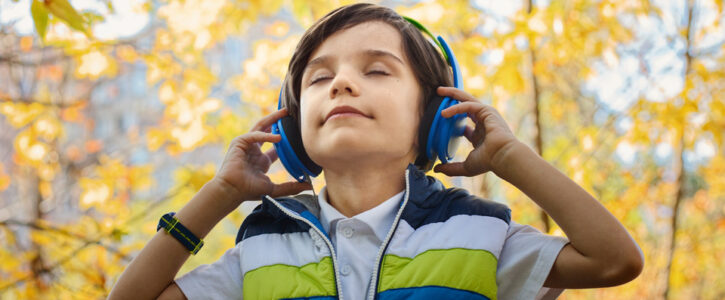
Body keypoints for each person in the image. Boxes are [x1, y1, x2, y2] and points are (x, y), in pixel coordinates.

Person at [109, 3, 643, 300]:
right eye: (320, 78)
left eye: (376, 70)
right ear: (294, 133)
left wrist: (509, 157)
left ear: (433, 119)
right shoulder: (259, 251)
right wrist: (221, 194)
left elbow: (615, 260)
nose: (341, 84)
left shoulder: (481, 238)